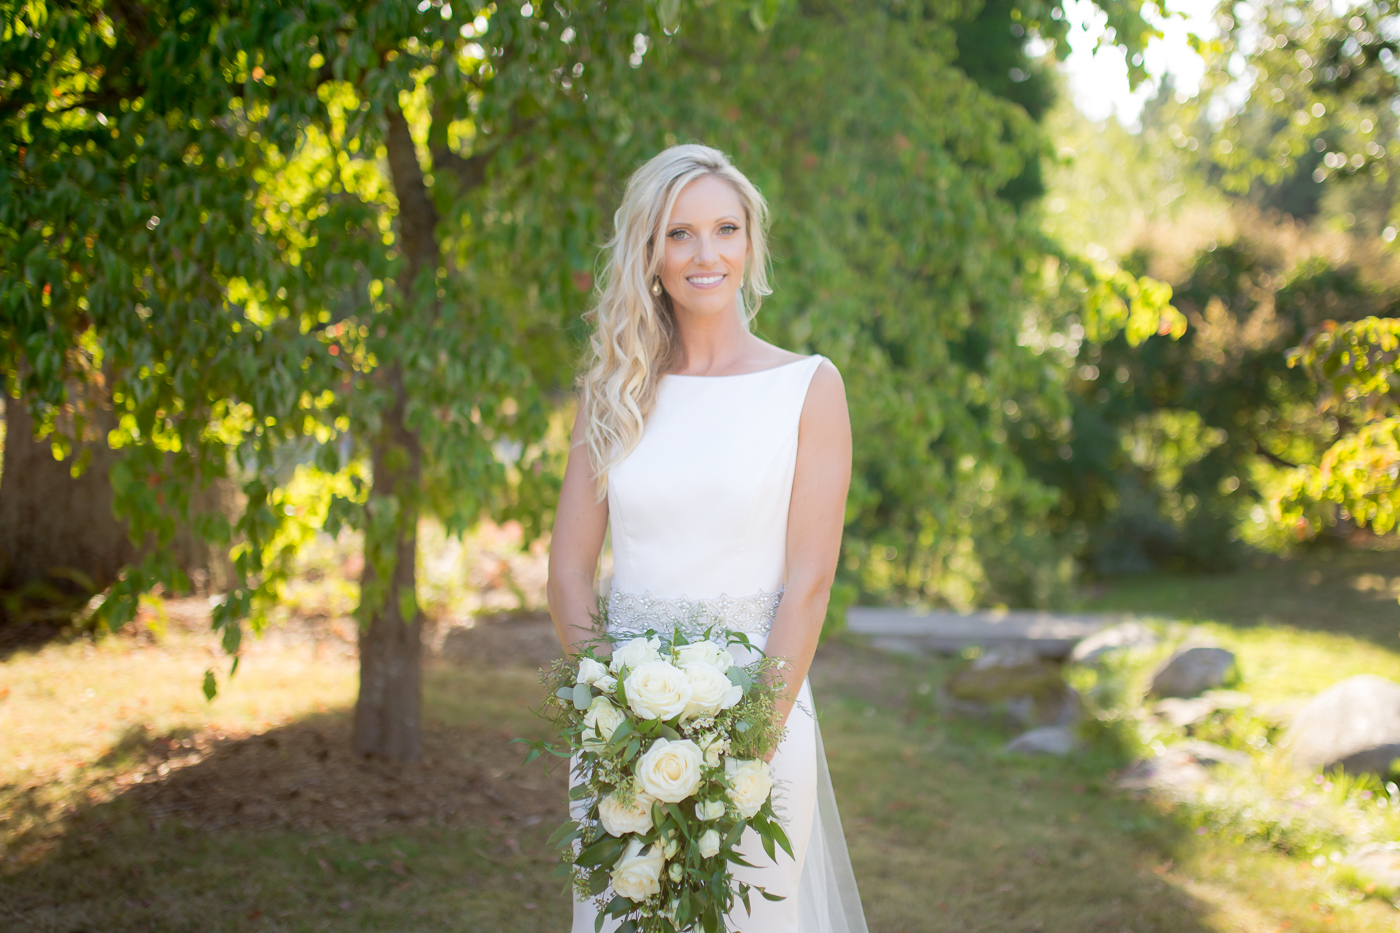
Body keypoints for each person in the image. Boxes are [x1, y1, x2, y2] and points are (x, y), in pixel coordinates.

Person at [547, 143, 868, 933]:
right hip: (623, 735)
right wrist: (612, 718)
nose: (705, 253)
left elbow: (810, 582)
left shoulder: (808, 387)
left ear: (751, 242)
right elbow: (567, 572)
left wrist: (750, 739)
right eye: (679, 233)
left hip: (763, 724)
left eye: (725, 228)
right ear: (649, 252)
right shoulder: (612, 391)